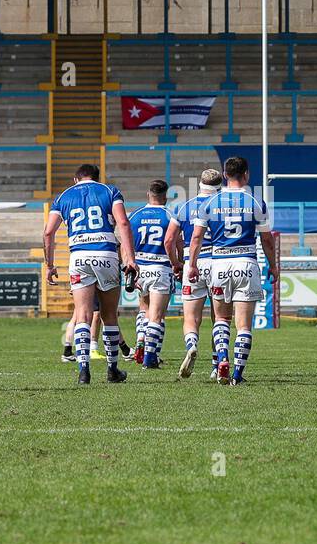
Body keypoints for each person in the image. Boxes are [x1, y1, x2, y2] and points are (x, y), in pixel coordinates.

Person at [186, 156, 278, 385]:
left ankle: (222, 361)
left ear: (225, 175)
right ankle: (237, 374)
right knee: (244, 324)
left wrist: (193, 264)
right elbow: (267, 239)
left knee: (222, 318)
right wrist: (274, 265)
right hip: (246, 262)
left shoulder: (209, 203)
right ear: (246, 174)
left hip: (219, 264)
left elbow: (196, 237)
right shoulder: (255, 201)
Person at [45, 164, 137, 385]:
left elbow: (48, 232)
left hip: (78, 258)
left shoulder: (63, 197)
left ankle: (83, 370)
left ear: (76, 179)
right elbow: (123, 223)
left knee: (83, 315)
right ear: (97, 178)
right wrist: (130, 258)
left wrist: (49, 265)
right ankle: (112, 370)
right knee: (109, 315)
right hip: (106, 254)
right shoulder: (109, 191)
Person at [164, 168, 222, 380]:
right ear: (220, 185)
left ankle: (192, 345)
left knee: (190, 317)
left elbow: (169, 240)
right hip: (219, 261)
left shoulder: (184, 207)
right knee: (220, 317)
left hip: (192, 262)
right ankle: (217, 363)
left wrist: (176, 264)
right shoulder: (224, 207)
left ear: (200, 185)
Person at [127, 179, 175, 369]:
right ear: (165, 196)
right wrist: (177, 263)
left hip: (140, 268)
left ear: (149, 194)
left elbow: (125, 242)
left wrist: (128, 266)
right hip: (160, 268)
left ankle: (140, 339)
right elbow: (173, 242)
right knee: (157, 316)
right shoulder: (169, 215)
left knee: (144, 309)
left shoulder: (135, 215)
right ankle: (149, 357)